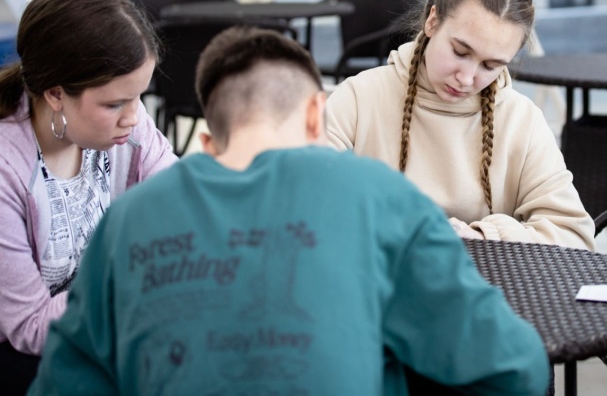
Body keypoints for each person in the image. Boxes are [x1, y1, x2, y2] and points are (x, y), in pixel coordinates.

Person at [29, 26, 551, 395]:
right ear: (316, 114)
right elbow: (516, 369)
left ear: (209, 141)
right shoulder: (382, 198)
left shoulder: (128, 221)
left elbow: (65, 383)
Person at [326, 0, 595, 250]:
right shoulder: (358, 99)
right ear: (432, 21)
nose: (466, 78)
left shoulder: (522, 121)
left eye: (490, 66)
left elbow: (574, 237)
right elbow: (308, 201)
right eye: (459, 51)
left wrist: (487, 237)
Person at [0, 0, 176, 392]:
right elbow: (30, 325)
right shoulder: (7, 169)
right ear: (56, 94)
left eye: (139, 97)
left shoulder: (127, 127)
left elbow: (183, 203)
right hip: (27, 354)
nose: (133, 117)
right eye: (115, 104)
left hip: (104, 324)